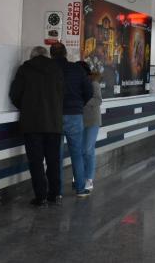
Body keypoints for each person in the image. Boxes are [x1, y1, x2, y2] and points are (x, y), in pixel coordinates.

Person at [9, 47, 65, 207]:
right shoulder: (57, 70)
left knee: (36, 161)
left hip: (32, 123)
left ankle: (40, 196)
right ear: (47, 55)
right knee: (53, 160)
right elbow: (63, 93)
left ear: (32, 56)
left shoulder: (24, 69)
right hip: (53, 123)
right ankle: (55, 194)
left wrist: (26, 107)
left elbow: (14, 94)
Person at [51, 43, 93, 197]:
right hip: (75, 115)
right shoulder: (77, 69)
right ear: (65, 53)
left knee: (55, 156)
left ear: (51, 55)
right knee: (77, 154)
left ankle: (57, 192)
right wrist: (79, 104)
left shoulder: (49, 69)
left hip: (54, 116)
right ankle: (80, 189)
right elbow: (89, 91)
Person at [80, 61, 103, 192]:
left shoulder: (94, 83)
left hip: (92, 121)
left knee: (88, 150)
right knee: (83, 150)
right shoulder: (79, 83)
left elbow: (98, 100)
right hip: (80, 120)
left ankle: (89, 178)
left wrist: (82, 101)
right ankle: (81, 176)